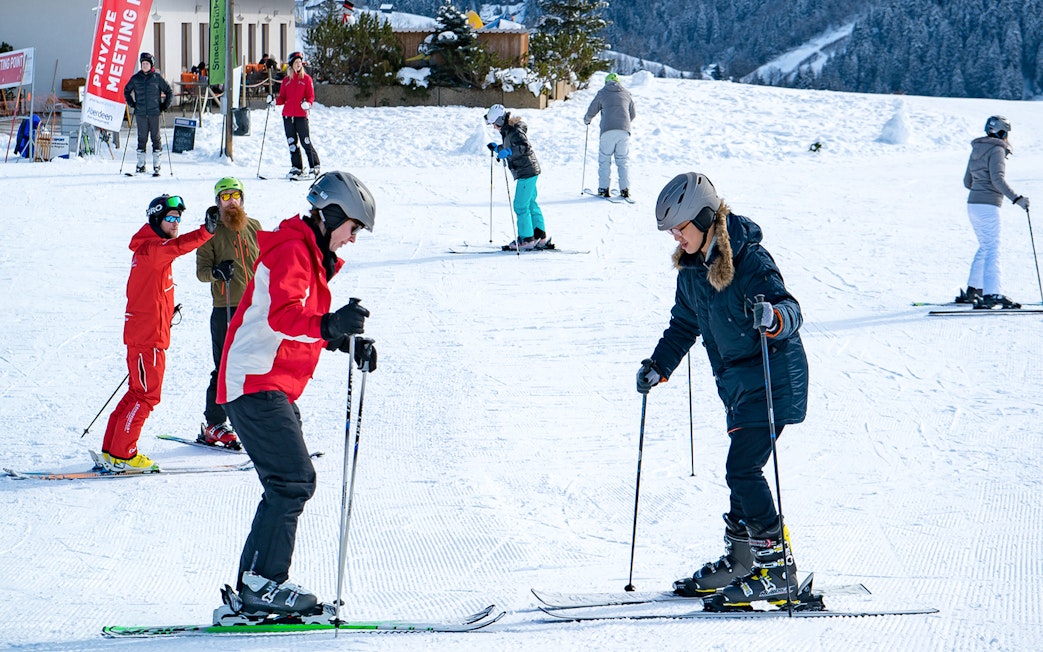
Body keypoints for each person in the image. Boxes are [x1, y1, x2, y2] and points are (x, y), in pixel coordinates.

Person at [637, 172, 808, 609]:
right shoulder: (692, 270)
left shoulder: (750, 259)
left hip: (773, 379)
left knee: (742, 470)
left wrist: (774, 318)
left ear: (707, 217)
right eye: (671, 230)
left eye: (681, 227)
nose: (676, 236)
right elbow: (684, 324)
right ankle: (741, 557)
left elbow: (791, 309)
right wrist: (659, 365)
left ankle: (777, 570)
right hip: (736, 386)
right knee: (741, 473)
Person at [216, 171, 377, 616]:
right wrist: (329, 325)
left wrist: (342, 340)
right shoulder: (293, 252)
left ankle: (254, 583)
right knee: (293, 481)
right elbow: (284, 318)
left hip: (268, 383)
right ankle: (264, 584)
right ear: (331, 216)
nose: (352, 240)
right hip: (255, 381)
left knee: (284, 483)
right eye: (352, 229)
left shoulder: (306, 254)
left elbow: (299, 324)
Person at [96, 195, 218, 472]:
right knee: (147, 396)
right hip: (148, 338)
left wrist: (165, 309)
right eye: (170, 219)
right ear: (156, 219)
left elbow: (149, 291)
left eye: (178, 219)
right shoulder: (154, 249)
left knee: (136, 393)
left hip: (146, 333)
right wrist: (207, 231)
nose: (175, 224)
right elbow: (179, 246)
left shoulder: (148, 250)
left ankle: (113, 450)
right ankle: (124, 455)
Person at [195, 177, 263, 449]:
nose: (231, 201)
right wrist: (216, 272)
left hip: (255, 307)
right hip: (226, 309)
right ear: (218, 202)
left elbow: (266, 262)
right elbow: (201, 272)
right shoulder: (209, 233)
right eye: (225, 197)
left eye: (235, 195)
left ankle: (250, 420)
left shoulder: (254, 226)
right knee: (225, 367)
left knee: (256, 365)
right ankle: (214, 423)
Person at [956, 115, 1030, 309]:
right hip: (988, 206)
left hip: (973, 204)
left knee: (985, 246)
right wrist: (1017, 199)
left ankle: (974, 290)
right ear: (1003, 132)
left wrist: (981, 186)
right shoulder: (997, 149)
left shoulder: (977, 148)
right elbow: (997, 179)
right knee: (993, 248)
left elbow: (967, 182)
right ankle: (992, 294)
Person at [484, 104, 550, 251]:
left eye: (494, 124)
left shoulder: (515, 131)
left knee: (520, 205)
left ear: (501, 120)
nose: (494, 127)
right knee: (530, 203)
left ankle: (526, 239)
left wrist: (508, 151)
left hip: (526, 172)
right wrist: (498, 148)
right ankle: (540, 235)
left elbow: (523, 147)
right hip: (529, 170)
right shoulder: (508, 131)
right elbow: (512, 146)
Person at [583, 72, 636, 199]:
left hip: (607, 131)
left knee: (604, 160)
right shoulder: (627, 93)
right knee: (622, 161)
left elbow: (592, 109)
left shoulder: (602, 92)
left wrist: (587, 120)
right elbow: (632, 114)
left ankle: (603, 189)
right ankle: (625, 190)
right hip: (624, 131)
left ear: (607, 82)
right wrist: (623, 123)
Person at [272, 51, 320, 180]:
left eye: (300, 63)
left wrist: (308, 104)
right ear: (291, 64)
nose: (298, 65)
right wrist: (273, 101)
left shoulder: (306, 79)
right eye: (296, 62)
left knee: (305, 141)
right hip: (288, 115)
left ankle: (314, 165)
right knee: (292, 142)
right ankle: (297, 167)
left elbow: (310, 96)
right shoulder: (286, 80)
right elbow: (282, 98)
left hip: (300, 115)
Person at [123, 52, 173, 175]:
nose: (144, 66)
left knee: (156, 138)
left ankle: (157, 165)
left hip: (154, 113)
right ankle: (141, 165)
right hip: (140, 113)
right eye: (143, 63)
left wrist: (164, 105)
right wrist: (132, 104)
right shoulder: (136, 78)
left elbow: (169, 91)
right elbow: (126, 91)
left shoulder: (157, 78)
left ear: (151, 65)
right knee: (142, 138)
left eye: (147, 63)